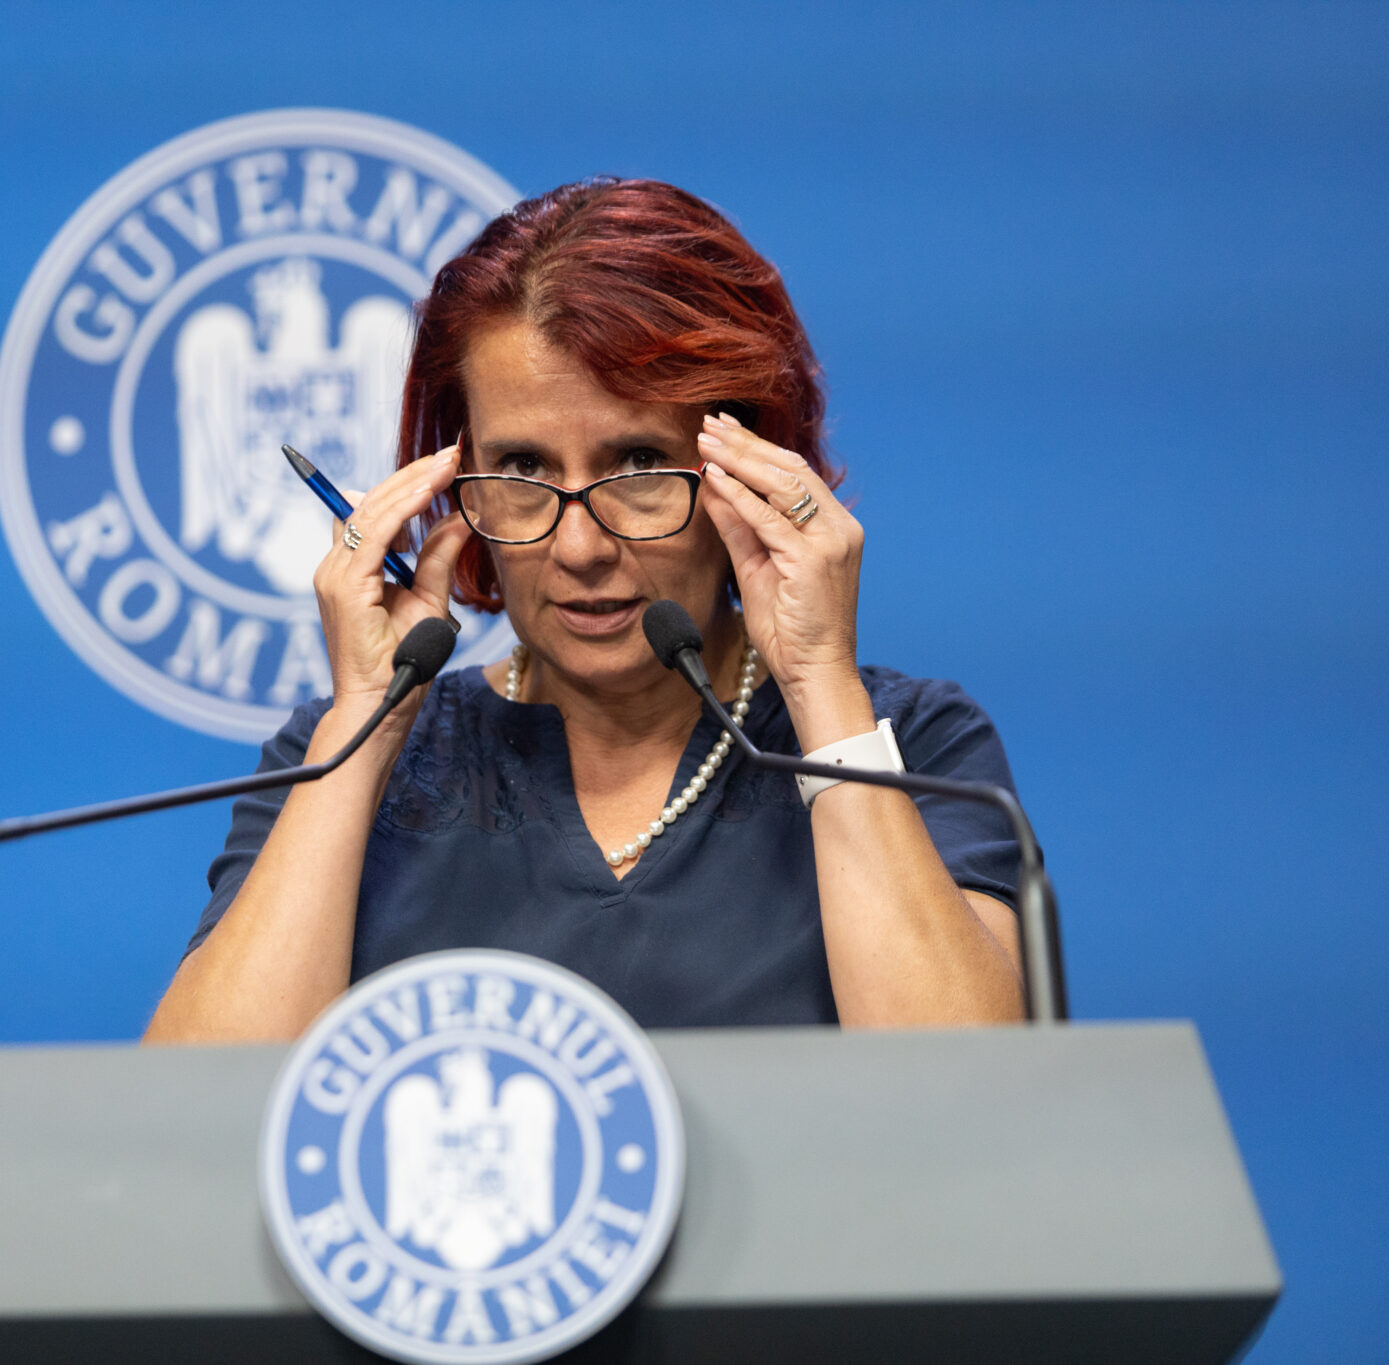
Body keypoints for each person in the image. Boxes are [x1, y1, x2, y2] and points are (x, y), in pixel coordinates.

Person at [144, 179, 1026, 1043]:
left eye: (638, 463)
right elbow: (199, 1106)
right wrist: (366, 725)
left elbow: (970, 1094)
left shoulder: (912, 741)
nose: (579, 547)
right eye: (523, 468)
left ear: (748, 467)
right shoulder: (340, 754)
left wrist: (819, 685)